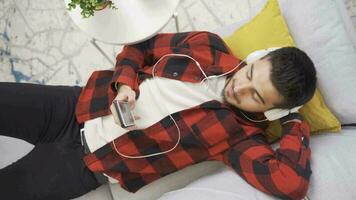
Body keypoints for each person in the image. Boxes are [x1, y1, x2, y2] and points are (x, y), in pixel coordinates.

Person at [0, 31, 316, 200]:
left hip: (83, 167)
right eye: (249, 73)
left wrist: (293, 121)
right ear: (255, 58)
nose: (240, 87)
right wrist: (125, 83)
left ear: (271, 110)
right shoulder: (208, 45)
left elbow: (290, 184)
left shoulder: (241, 138)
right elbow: (143, 44)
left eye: (256, 96)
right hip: (75, 106)